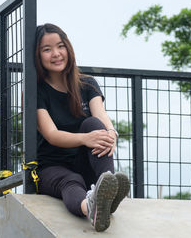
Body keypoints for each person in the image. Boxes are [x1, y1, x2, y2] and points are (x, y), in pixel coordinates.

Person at [34, 23, 130, 232]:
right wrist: (85, 139)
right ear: (38, 55)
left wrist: (111, 133)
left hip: (84, 163)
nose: (56, 54)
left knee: (95, 125)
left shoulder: (87, 84)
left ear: (68, 48)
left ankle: (107, 187)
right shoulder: (36, 91)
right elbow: (51, 135)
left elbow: (101, 116)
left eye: (60, 46)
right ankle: (92, 207)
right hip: (51, 168)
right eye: (47, 49)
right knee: (72, 180)